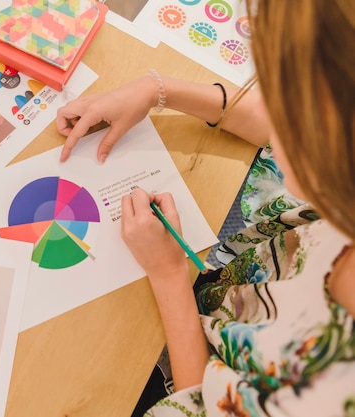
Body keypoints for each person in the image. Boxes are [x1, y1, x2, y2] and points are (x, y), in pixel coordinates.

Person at [56, 0, 355, 415]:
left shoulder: (327, 388)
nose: (271, 121)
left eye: (289, 110)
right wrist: (155, 90)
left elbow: (201, 405)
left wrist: (168, 272)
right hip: (235, 280)